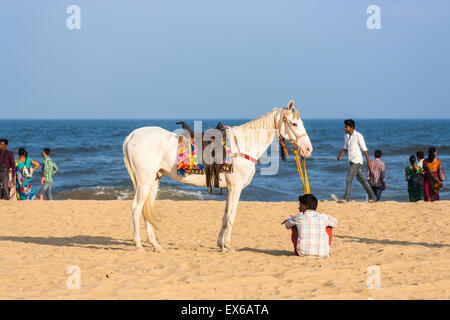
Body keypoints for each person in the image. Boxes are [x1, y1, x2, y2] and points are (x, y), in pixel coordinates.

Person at [282, 194, 338, 258]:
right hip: (323, 253)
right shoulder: (323, 217)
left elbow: (287, 226)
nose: (299, 207)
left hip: (301, 253)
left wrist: (290, 218)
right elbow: (335, 223)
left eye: (300, 205)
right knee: (328, 227)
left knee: (294, 227)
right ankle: (322, 248)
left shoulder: (298, 217)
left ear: (306, 206)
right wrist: (326, 216)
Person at [337, 119, 377, 202]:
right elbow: (345, 148)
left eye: (346, 127)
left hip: (357, 161)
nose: (345, 128)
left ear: (352, 127)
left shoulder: (359, 136)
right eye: (345, 127)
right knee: (362, 180)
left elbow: (364, 150)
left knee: (348, 179)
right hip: (351, 161)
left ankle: (346, 198)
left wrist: (368, 162)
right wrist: (340, 155)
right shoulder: (346, 136)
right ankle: (373, 197)